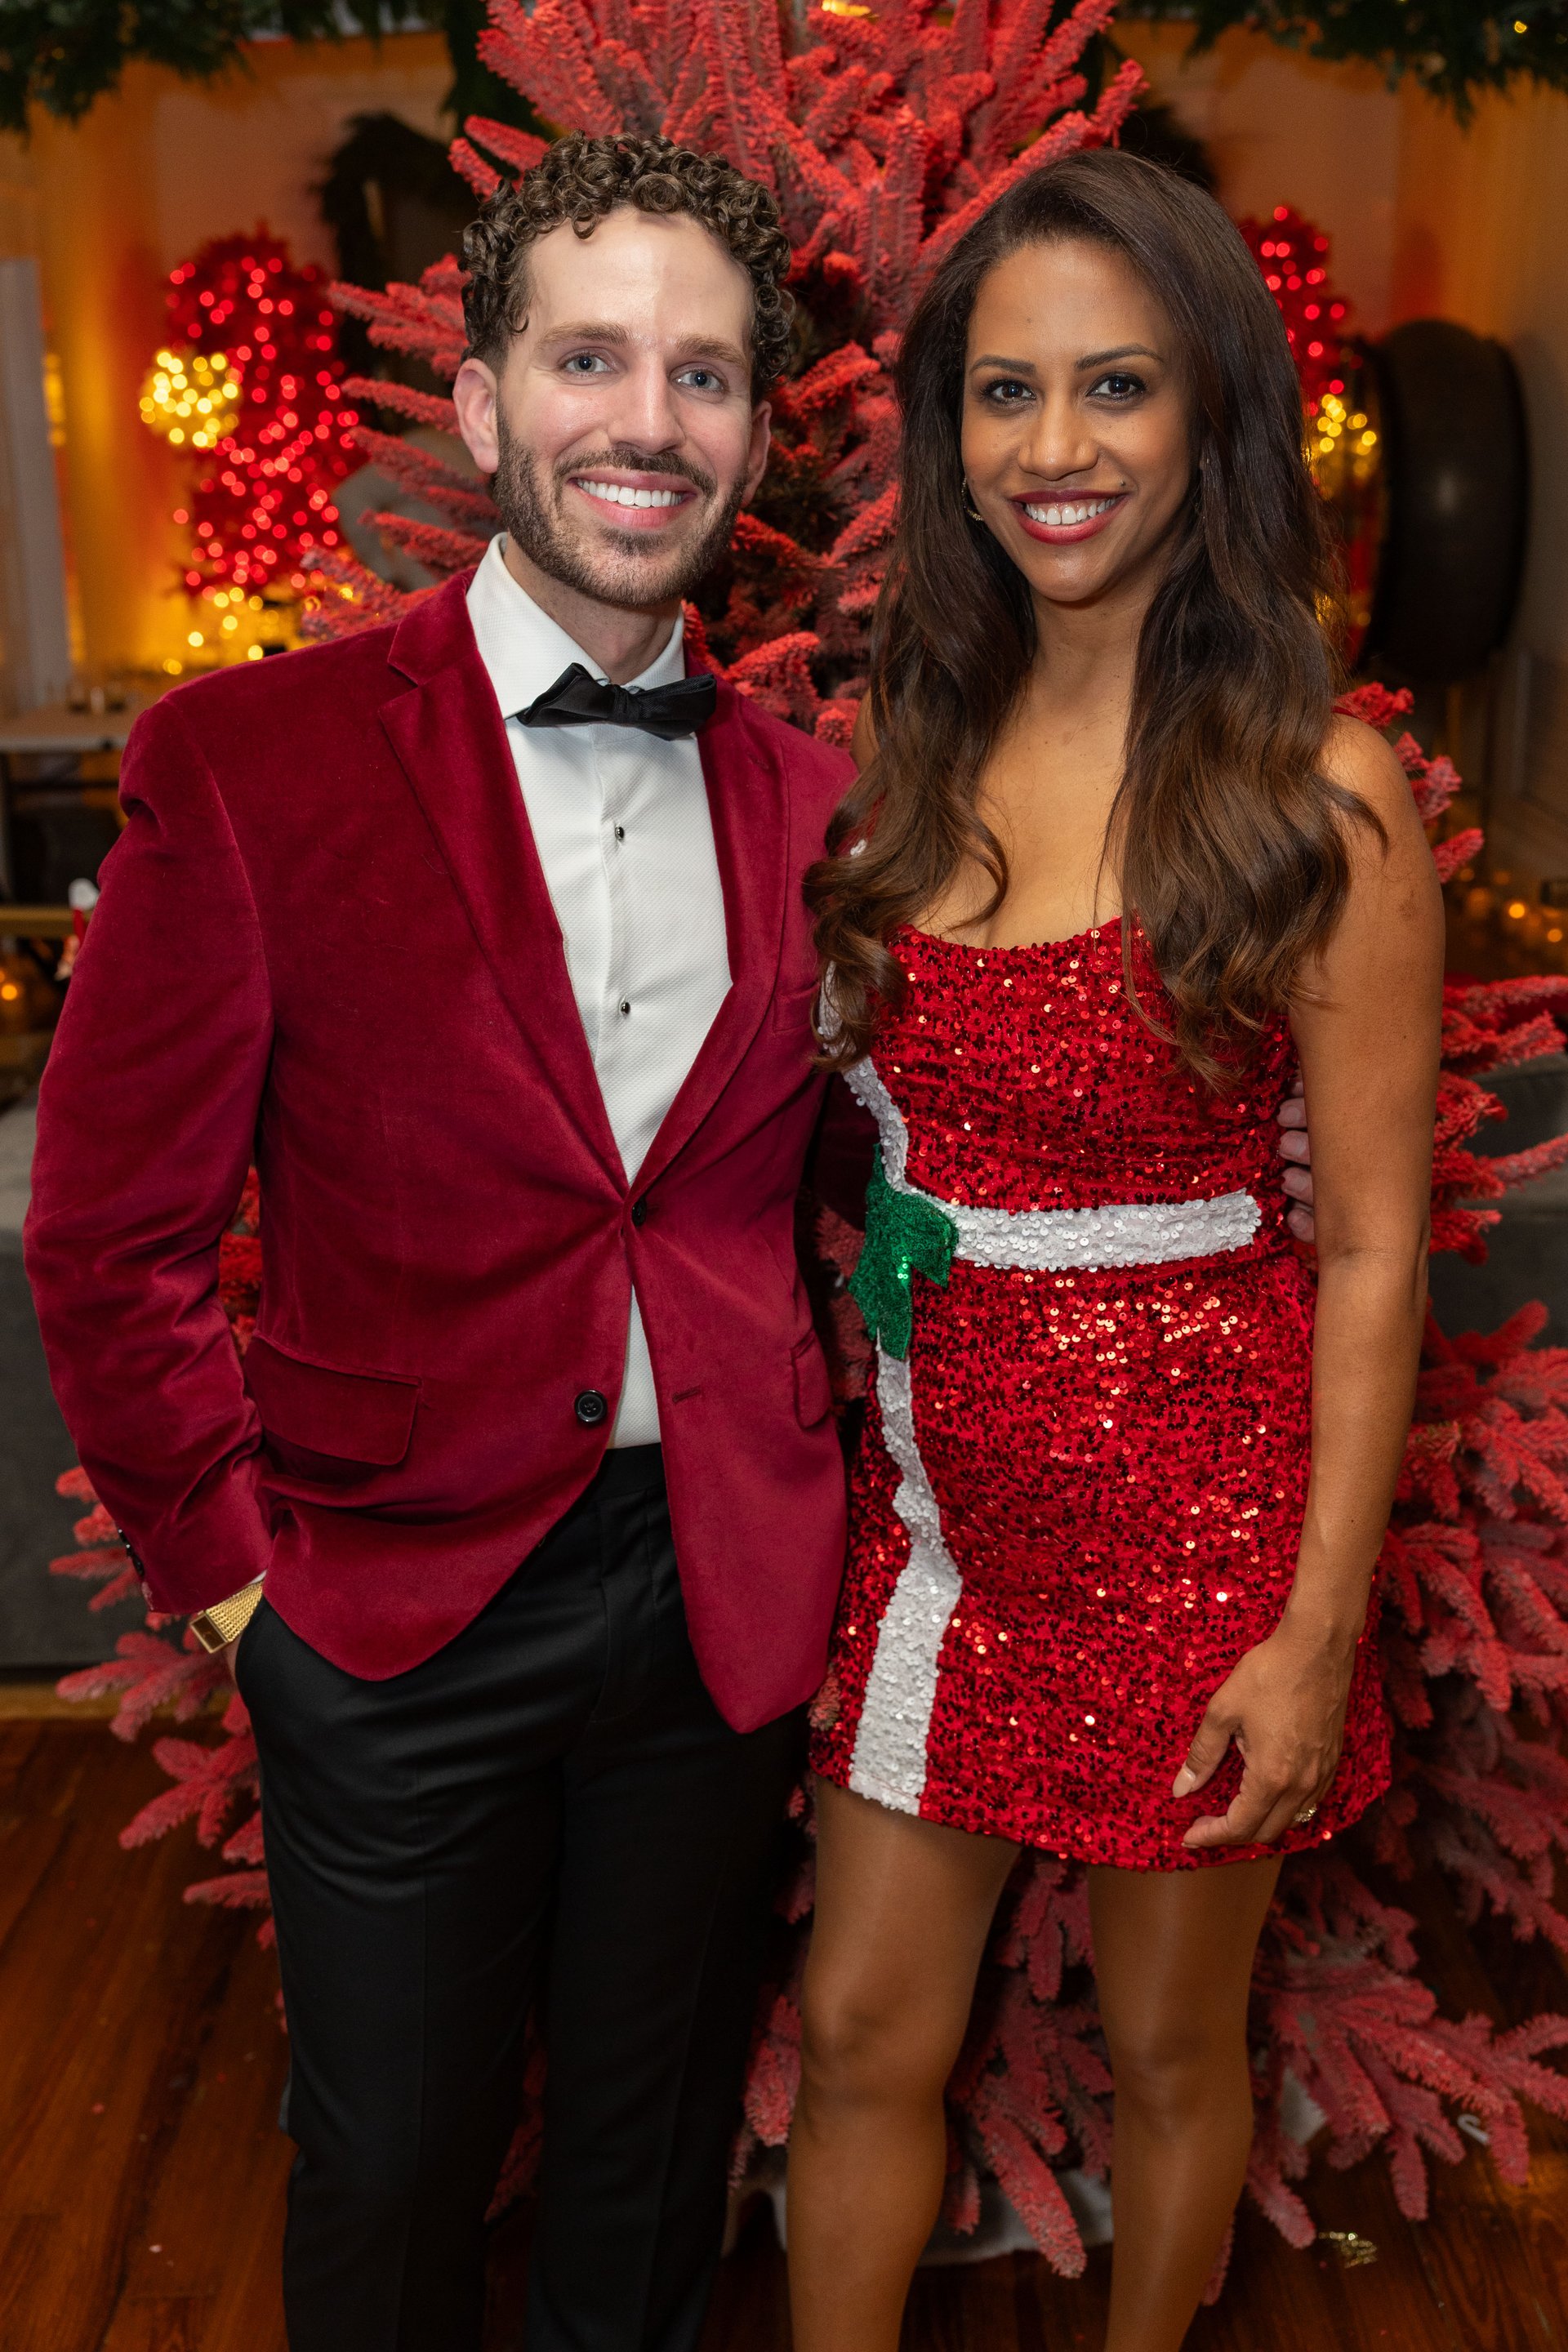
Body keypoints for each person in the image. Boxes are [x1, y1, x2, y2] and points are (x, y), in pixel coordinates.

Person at [25, 130, 1316, 2352]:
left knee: (652, 2162)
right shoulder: (249, 762)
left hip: (725, 1593)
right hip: (385, 1606)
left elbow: (912, 1139)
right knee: (395, 2168)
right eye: (590, 360)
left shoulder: (834, 809)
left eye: (703, 375)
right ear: (484, 402)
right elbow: (105, 1234)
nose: (648, 420)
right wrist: (241, 1595)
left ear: (754, 435)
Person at [789, 148, 1442, 2352]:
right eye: (1006, 392)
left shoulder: (1313, 789)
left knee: (1171, 2053)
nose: (1054, 447)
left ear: (1208, 414)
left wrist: (1314, 1630)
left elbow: (1373, 1253)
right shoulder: (906, 750)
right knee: (862, 2035)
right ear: (950, 429)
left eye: (1117, 385)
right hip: (938, 1527)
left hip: (1206, 1545)